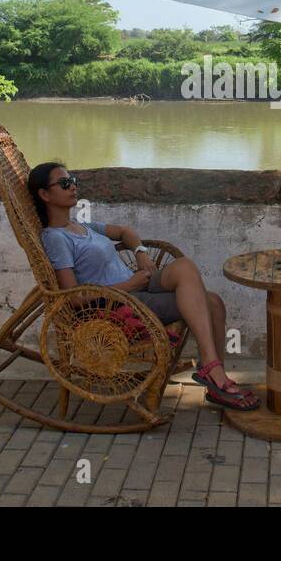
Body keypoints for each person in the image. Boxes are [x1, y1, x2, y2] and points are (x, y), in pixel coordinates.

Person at [28, 161, 258, 411]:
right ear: (44, 194)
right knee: (211, 303)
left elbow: (125, 231)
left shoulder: (81, 226)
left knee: (185, 267)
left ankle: (212, 372)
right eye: (64, 183)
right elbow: (75, 298)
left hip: (139, 285)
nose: (72, 186)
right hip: (118, 304)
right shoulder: (55, 238)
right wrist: (130, 283)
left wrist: (140, 253)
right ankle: (214, 373)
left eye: (73, 180)